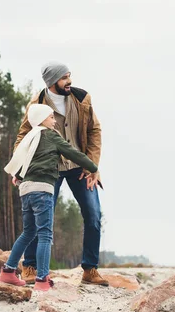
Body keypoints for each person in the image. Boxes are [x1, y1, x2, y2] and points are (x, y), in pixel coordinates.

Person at [14, 61, 108, 286]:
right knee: (40, 218)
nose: (70, 81)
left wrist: (92, 165)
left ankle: (90, 269)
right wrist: (19, 168)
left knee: (94, 214)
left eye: (70, 76)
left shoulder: (82, 99)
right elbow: (23, 136)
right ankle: (30, 267)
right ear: (52, 81)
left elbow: (94, 130)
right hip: (49, 170)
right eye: (65, 77)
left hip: (80, 168)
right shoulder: (36, 103)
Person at [0, 104, 98, 291]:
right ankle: (42, 279)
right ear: (42, 119)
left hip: (26, 190)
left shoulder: (30, 138)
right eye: (52, 117)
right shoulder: (50, 136)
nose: (54, 121)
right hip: (42, 189)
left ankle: (8, 271)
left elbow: (23, 160)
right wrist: (93, 167)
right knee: (45, 234)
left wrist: (19, 176)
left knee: (28, 232)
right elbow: (73, 153)